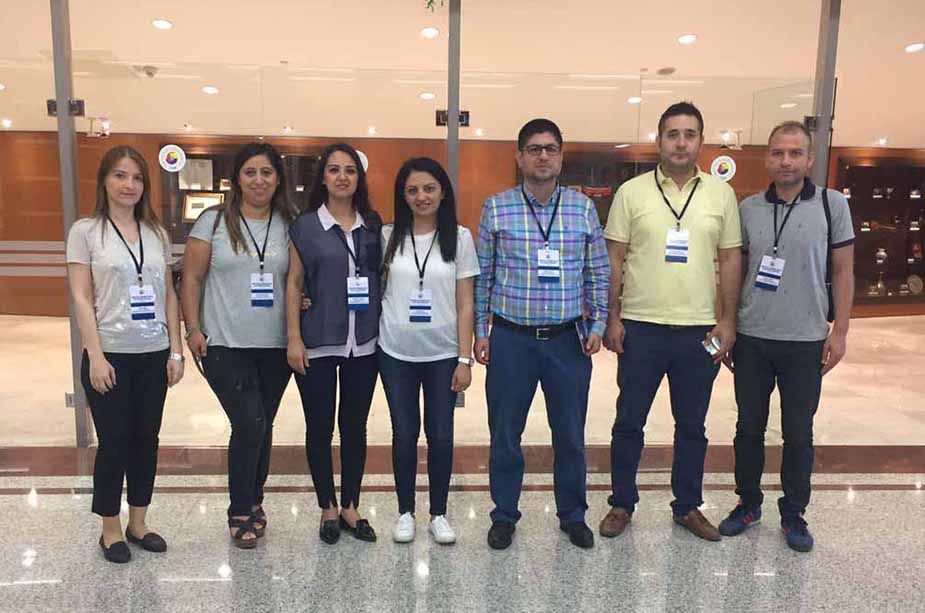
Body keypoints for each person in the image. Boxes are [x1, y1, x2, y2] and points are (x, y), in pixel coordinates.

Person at [600, 101, 742, 542]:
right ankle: (622, 503)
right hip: (640, 327)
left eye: (689, 134)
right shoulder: (632, 193)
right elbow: (614, 258)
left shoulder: (720, 195)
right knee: (629, 421)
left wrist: (728, 321)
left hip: (699, 330)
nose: (681, 143)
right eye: (672, 134)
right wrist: (612, 315)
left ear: (701, 141)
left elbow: (730, 259)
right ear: (658, 140)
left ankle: (687, 506)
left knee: (692, 426)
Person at [717, 121, 854, 552]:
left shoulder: (832, 205)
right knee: (748, 428)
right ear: (767, 158)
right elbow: (733, 271)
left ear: (810, 159)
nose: (786, 161)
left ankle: (794, 513)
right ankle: (748, 504)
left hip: (806, 339)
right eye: (778, 152)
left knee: (798, 432)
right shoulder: (749, 208)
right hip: (753, 337)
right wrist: (727, 323)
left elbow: (843, 270)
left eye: (795, 153)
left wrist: (840, 330)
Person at [474, 118, 610, 550]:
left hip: (568, 341)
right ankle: (504, 515)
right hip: (511, 339)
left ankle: (572, 515)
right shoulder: (496, 208)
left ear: (561, 156)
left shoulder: (582, 208)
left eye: (550, 148)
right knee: (505, 434)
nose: (543, 156)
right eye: (534, 149)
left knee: (569, 435)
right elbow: (483, 276)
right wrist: (480, 331)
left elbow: (598, 272)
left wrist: (598, 323)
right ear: (519, 157)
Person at [66, 145, 184, 563]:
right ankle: (110, 528)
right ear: (104, 180)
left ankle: (138, 522)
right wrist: (95, 356)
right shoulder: (85, 231)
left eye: (136, 178)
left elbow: (168, 293)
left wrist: (176, 350)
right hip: (110, 354)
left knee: (146, 440)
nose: (128, 185)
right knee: (114, 441)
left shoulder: (156, 233)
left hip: (153, 353)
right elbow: (81, 297)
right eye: (119, 175)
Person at [181, 142, 297, 549]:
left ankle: (255, 499)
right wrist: (192, 328)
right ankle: (240, 508)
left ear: (278, 179)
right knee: (249, 422)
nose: (258, 180)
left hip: (275, 346)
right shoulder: (212, 222)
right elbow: (191, 278)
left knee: (263, 424)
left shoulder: (289, 223)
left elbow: (298, 279)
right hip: (224, 343)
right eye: (250, 172)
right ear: (237, 179)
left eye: (266, 172)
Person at [378, 158, 479, 545]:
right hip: (395, 352)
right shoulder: (387, 236)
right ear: (403, 196)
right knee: (404, 433)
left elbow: (465, 302)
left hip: (443, 354)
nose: (421, 196)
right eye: (412, 190)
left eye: (429, 188)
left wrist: (464, 359)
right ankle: (405, 511)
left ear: (443, 192)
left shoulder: (460, 237)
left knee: (440, 434)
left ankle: (438, 513)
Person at [286, 143, 382, 545]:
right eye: (334, 170)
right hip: (318, 340)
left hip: (365, 343)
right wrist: (293, 337)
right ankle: (327, 506)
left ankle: (351, 506)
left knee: (355, 426)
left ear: (359, 178)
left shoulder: (372, 224)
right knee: (320, 426)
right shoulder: (306, 226)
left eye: (350, 170)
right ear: (322, 178)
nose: (342, 177)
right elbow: (294, 282)